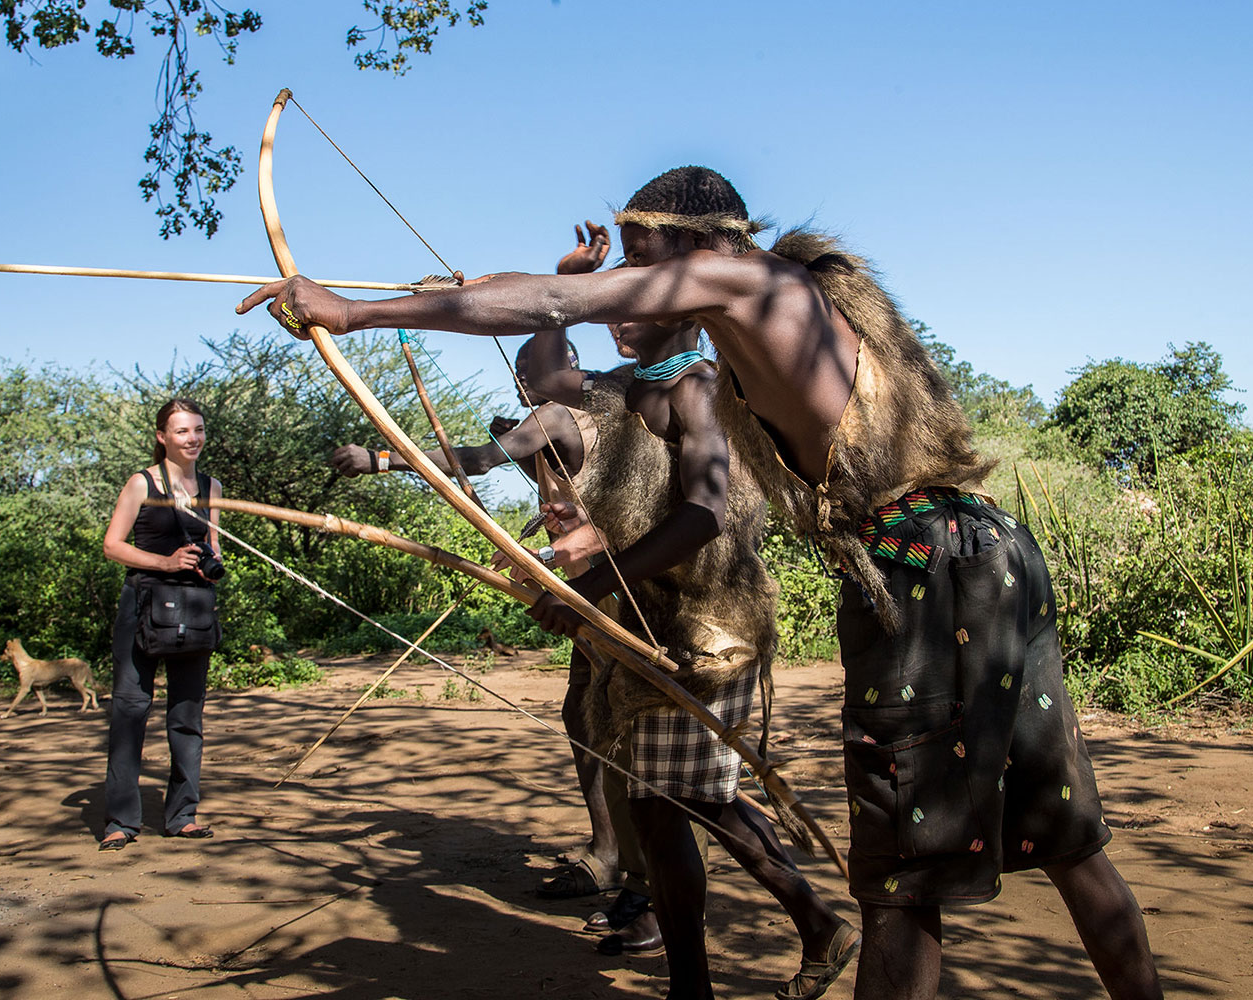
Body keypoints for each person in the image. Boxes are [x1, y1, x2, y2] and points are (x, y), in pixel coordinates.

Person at [240, 166, 1162, 1000]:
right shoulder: (775, 317)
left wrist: (353, 312)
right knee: (1067, 842)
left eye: (646, 261)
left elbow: (561, 301)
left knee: (902, 884)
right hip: (984, 552)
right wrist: (533, 296)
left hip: (920, 575)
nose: (634, 284)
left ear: (697, 245)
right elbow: (563, 328)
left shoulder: (747, 281)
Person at [516, 248, 856, 993]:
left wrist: (596, 580)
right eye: (612, 305)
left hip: (712, 629)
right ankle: (738, 964)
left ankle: (789, 938)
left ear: (684, 312)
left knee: (688, 802)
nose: (616, 317)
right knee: (671, 808)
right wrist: (567, 285)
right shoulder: (622, 389)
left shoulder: (702, 387)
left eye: (633, 303)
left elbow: (703, 513)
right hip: (659, 622)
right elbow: (542, 383)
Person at [330, 230, 622, 901]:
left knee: (604, 718)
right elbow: (557, 480)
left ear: (537, 375)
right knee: (588, 713)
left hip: (607, 590)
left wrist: (383, 459)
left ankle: (621, 859)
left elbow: (480, 457)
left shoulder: (556, 408)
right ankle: (615, 852)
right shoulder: (597, 410)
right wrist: (464, 296)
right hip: (600, 585)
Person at [100, 398, 223, 851]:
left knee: (187, 714)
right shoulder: (142, 482)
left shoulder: (212, 485)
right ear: (162, 438)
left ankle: (182, 815)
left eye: (198, 430)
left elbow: (213, 543)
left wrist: (209, 560)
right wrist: (166, 563)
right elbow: (113, 546)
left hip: (194, 607)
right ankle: (120, 821)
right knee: (130, 710)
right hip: (143, 605)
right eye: (182, 432)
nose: (193, 439)